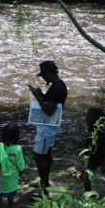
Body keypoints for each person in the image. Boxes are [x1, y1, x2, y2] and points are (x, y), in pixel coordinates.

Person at [28, 60, 67, 197]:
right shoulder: (59, 85)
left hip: (47, 129)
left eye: (43, 75)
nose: (43, 77)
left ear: (50, 73)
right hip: (50, 126)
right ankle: (45, 183)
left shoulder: (57, 88)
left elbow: (49, 110)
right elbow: (51, 103)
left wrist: (38, 97)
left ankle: (43, 190)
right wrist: (43, 95)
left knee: (39, 157)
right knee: (47, 155)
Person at [0, 123, 25, 208]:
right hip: (12, 179)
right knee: (10, 197)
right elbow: (20, 165)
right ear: (17, 136)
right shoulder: (18, 149)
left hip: (0, 177)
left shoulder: (0, 147)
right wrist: (22, 174)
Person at [80, 108, 105, 192]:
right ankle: (88, 192)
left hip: (96, 158)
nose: (86, 119)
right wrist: (77, 146)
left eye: (88, 117)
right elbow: (88, 141)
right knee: (84, 176)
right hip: (90, 156)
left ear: (96, 120)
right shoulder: (91, 128)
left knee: (85, 176)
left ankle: (89, 194)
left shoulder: (99, 132)